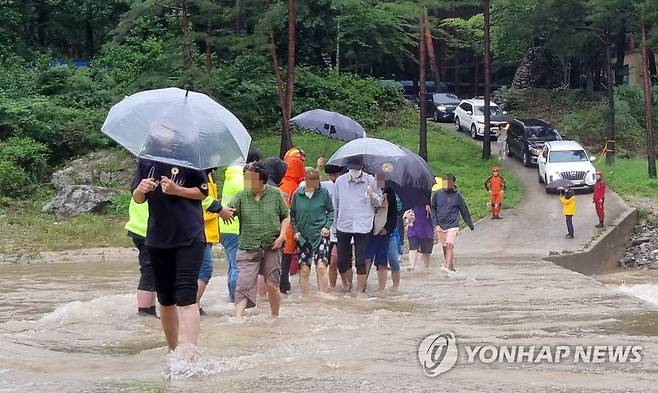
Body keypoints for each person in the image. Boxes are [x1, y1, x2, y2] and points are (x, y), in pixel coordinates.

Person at [131, 160, 215, 354]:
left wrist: (178, 190)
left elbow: (203, 192)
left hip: (189, 236)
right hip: (157, 237)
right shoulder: (146, 159)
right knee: (165, 299)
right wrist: (141, 189)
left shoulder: (189, 157)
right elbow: (137, 198)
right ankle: (172, 351)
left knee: (186, 295)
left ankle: (190, 354)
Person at [228, 161, 290, 319]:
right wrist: (223, 212)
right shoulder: (241, 196)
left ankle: (275, 317)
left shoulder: (275, 194)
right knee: (243, 286)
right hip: (248, 247)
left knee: (272, 285)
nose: (246, 181)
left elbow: (285, 216)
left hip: (272, 246)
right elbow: (230, 210)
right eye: (245, 178)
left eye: (250, 178)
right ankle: (237, 321)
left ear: (262, 178)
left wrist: (282, 235)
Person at [333, 155, 383, 293]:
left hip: (363, 224)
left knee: (361, 260)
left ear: (362, 168)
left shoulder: (371, 180)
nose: (355, 171)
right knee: (342, 260)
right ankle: (346, 285)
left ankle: (360, 290)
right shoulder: (340, 181)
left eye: (358, 168)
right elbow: (335, 205)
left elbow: (379, 202)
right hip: (344, 223)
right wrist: (333, 225)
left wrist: (372, 194)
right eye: (352, 168)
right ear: (348, 168)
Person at [220, 148, 262, 303]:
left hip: (225, 228)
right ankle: (238, 301)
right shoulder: (243, 180)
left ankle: (232, 299)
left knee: (232, 266)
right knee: (239, 267)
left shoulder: (231, 176)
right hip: (237, 228)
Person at [290, 168, 334, 296]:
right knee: (304, 270)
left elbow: (331, 211)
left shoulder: (324, 193)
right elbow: (292, 215)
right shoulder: (298, 195)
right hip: (303, 236)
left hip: (320, 235)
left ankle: (323, 296)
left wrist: (327, 226)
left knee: (321, 266)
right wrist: (296, 231)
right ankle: (305, 298)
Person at [430, 174, 475, 272]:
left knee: (449, 244)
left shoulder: (457, 195)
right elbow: (433, 209)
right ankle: (452, 267)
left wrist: (470, 224)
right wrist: (435, 224)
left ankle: (447, 267)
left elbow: (464, 210)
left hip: (453, 224)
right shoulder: (437, 194)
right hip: (440, 225)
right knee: (444, 247)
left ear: (453, 183)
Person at [278, 147, 307, 294]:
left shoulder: (279, 182)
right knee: (286, 257)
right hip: (289, 227)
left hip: (276, 226)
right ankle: (284, 284)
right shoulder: (297, 187)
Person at [365, 176, 400, 290]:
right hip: (368, 230)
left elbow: (393, 213)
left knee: (386, 261)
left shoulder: (389, 192)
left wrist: (387, 228)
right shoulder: (367, 189)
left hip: (385, 232)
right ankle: (362, 284)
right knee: (367, 259)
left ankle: (385, 289)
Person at [124, 199, 157, 317]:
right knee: (149, 271)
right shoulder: (152, 181)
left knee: (152, 271)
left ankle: (150, 311)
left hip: (142, 227)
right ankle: (144, 312)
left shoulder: (140, 180)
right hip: (147, 229)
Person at [314, 159, 343, 288]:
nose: (333, 178)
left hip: (342, 228)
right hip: (326, 229)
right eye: (331, 175)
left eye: (336, 175)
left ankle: (335, 285)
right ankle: (328, 288)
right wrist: (318, 168)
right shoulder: (326, 185)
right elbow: (312, 184)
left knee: (336, 261)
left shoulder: (344, 184)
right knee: (324, 262)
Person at [196, 169, 220, 315]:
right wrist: (219, 210)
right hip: (200, 232)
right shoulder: (200, 173)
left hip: (207, 233)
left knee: (201, 271)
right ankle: (191, 303)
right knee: (205, 270)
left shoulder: (210, 174)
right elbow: (202, 201)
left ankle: (194, 303)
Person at [404, 204, 434, 271]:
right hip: (413, 228)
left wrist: (430, 210)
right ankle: (412, 266)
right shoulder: (411, 201)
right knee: (413, 247)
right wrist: (406, 216)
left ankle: (426, 268)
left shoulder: (430, 202)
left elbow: (437, 214)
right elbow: (404, 211)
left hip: (427, 229)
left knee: (426, 251)